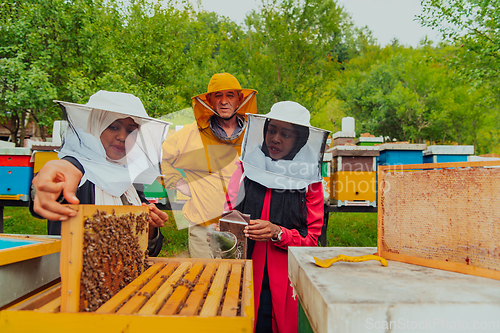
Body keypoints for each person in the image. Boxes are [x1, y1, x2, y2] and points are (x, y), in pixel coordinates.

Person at [224, 101, 329, 333]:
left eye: (286, 133)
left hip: (287, 281)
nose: (275, 138)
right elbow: (227, 216)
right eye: (272, 130)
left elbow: (313, 239)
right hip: (246, 272)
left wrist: (278, 233)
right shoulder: (245, 169)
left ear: (300, 139)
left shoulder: (309, 182)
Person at [30, 90, 170, 257]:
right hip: (73, 278)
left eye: (131, 130)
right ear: (94, 127)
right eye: (114, 127)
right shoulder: (76, 170)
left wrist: (152, 228)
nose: (122, 137)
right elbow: (54, 183)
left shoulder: (128, 178)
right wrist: (46, 185)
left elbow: (149, 251)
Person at [161, 73, 257, 258]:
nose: (224, 101)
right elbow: (162, 156)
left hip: (243, 227)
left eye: (230, 95)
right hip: (202, 226)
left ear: (239, 99)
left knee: (238, 282)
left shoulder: (253, 134)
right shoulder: (191, 133)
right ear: (209, 101)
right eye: (217, 96)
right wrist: (177, 182)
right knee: (204, 282)